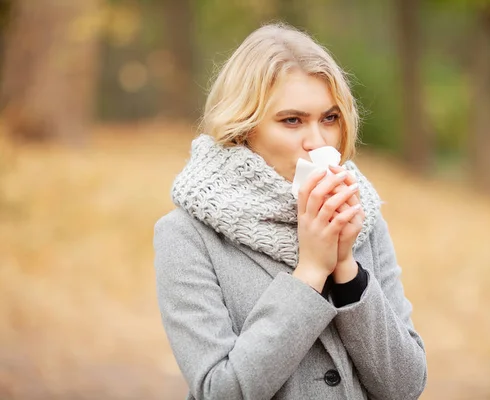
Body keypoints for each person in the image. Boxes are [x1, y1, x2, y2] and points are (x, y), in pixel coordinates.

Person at [153, 23, 427, 400]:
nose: (318, 142)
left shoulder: (360, 216)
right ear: (243, 126)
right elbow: (220, 392)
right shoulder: (186, 235)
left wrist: (346, 268)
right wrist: (312, 271)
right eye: (292, 120)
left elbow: (406, 386)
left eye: (329, 118)